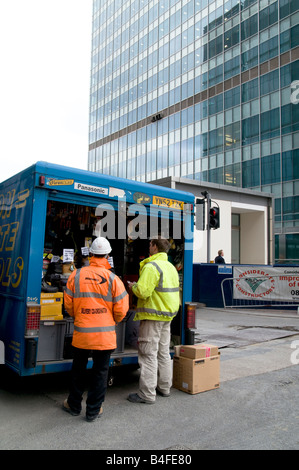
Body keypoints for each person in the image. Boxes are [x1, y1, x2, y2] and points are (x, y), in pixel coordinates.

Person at [63, 237, 129, 421]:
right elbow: (122, 309)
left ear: (91, 254)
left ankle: (73, 405)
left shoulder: (75, 275)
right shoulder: (114, 279)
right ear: (107, 255)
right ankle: (93, 411)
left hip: (82, 333)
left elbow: (68, 303)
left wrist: (79, 316)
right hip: (104, 335)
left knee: (78, 370)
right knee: (100, 372)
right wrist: (112, 321)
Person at [127, 237, 180, 404]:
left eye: (150, 244)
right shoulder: (170, 266)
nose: (148, 246)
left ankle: (147, 394)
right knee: (163, 352)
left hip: (152, 316)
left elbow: (142, 292)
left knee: (148, 354)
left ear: (155, 247)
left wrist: (133, 287)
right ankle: (164, 387)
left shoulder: (151, 266)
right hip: (167, 316)